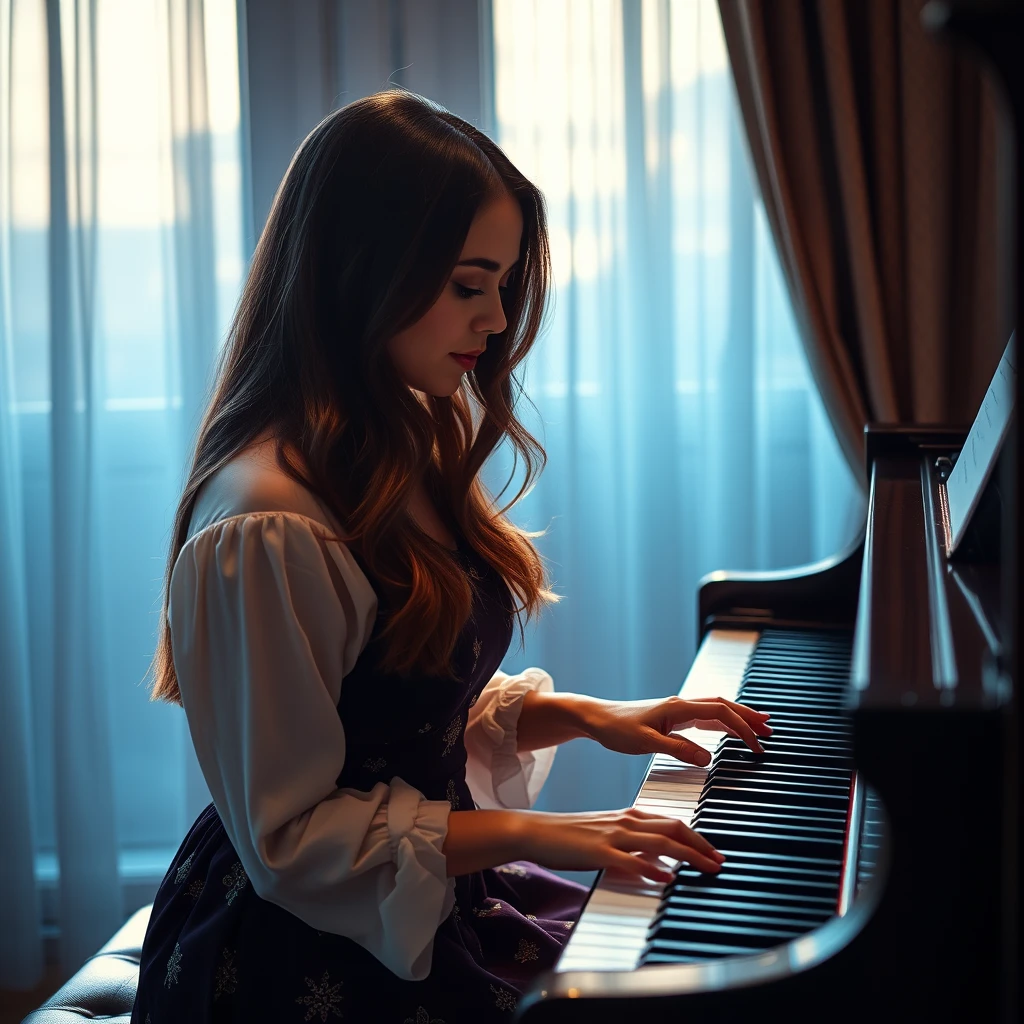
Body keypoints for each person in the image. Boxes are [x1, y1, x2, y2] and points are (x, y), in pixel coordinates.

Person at [130, 89, 772, 1024]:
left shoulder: (400, 430)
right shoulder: (264, 522)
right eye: (469, 285)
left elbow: (401, 711)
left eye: (505, 285)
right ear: (361, 272)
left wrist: (589, 716)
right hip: (304, 943)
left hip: (423, 896)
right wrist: (550, 834)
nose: (498, 320)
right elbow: (295, 838)